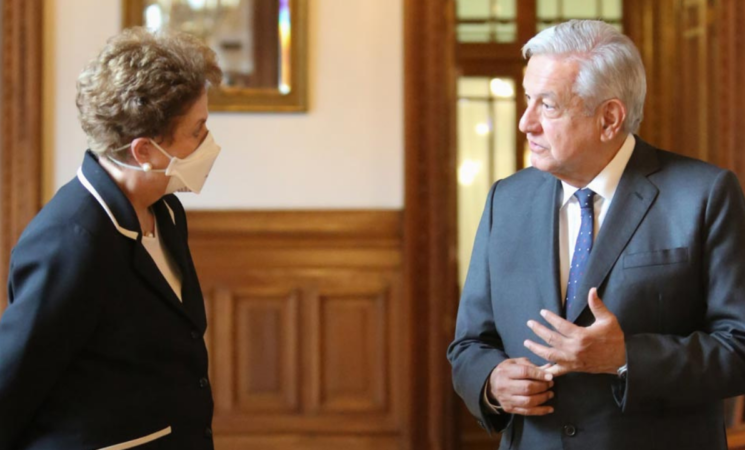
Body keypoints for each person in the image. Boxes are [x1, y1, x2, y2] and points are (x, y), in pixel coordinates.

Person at [447, 19, 745, 450]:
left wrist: (626, 358)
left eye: (547, 105)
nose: (525, 123)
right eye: (529, 100)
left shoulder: (704, 194)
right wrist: (492, 383)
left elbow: (738, 348)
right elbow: (469, 344)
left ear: (609, 118)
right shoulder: (505, 201)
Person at [0, 27, 222, 449]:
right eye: (198, 130)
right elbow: (11, 384)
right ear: (144, 151)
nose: (208, 142)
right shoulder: (69, 242)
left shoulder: (166, 210)